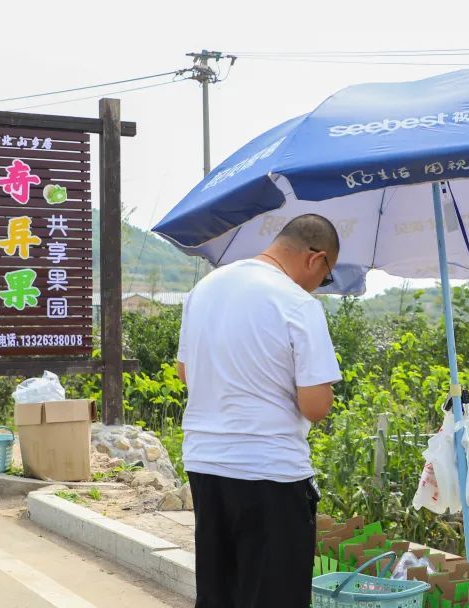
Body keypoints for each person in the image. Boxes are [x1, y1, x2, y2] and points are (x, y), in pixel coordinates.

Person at [175, 213, 342, 608]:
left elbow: (186, 372)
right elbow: (315, 406)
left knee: (220, 594)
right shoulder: (297, 303)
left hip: (206, 465)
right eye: (327, 276)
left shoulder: (206, 288)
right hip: (270, 473)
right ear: (315, 259)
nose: (320, 286)